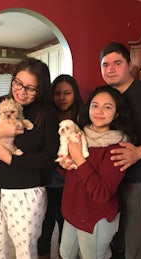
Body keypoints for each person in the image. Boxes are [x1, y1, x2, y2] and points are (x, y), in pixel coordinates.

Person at [0, 57, 60, 259]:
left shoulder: (47, 115)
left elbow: (48, 159)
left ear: (40, 90)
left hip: (27, 194)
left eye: (30, 88)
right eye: (18, 82)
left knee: (25, 251)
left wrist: (12, 159)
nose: (21, 91)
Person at [100, 42, 141, 259]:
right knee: (113, 233)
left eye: (117, 63)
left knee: (134, 238)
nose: (110, 69)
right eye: (105, 64)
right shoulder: (103, 95)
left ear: (129, 65)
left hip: (137, 178)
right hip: (108, 178)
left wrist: (137, 153)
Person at [58, 85, 136, 259]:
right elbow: (72, 175)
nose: (99, 111)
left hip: (96, 217)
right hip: (73, 210)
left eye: (107, 107)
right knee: (65, 253)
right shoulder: (79, 136)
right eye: (95, 105)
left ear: (117, 114)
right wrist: (65, 164)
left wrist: (78, 158)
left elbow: (101, 194)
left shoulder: (118, 149)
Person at [38, 74, 85, 259]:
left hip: (72, 182)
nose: (62, 98)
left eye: (67, 93)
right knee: (45, 222)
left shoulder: (83, 117)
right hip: (47, 180)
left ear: (75, 94)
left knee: (67, 223)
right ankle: (43, 253)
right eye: (57, 93)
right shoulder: (45, 115)